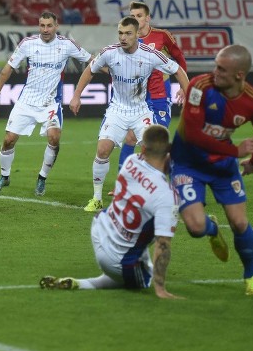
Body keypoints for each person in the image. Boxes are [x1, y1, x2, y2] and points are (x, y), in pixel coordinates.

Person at [170, 44, 253, 296]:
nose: (214, 72)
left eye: (222, 69)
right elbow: (192, 134)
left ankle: (251, 275)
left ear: (239, 75)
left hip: (221, 167)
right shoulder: (200, 87)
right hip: (187, 162)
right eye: (215, 65)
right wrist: (236, 152)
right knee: (195, 228)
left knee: (239, 222)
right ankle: (212, 229)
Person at [40, 124, 182, 298]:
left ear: (143, 148)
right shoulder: (168, 195)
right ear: (169, 150)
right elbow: (163, 244)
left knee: (141, 247)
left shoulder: (131, 162)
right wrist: (161, 290)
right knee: (145, 279)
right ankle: (117, 274)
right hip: (118, 256)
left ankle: (83, 283)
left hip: (100, 229)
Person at [69, 16, 189, 212]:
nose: (123, 37)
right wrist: (76, 96)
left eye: (128, 34)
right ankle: (97, 198)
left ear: (136, 35)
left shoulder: (150, 54)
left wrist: (189, 97)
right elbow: (90, 70)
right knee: (102, 150)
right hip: (117, 110)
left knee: (155, 152)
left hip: (141, 111)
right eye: (120, 33)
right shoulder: (109, 53)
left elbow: (178, 70)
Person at [0, 11, 92, 196]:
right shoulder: (28, 44)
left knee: (54, 138)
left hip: (50, 103)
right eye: (42, 25)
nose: (45, 29)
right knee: (8, 140)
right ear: (38, 26)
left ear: (56, 26)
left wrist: (115, 69)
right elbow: (8, 68)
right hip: (26, 101)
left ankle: (42, 178)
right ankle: (4, 176)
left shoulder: (66, 45)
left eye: (49, 25)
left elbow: (92, 61)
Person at [116, 1, 188, 168]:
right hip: (138, 98)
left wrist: (186, 89)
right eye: (132, 16)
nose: (135, 19)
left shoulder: (162, 36)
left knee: (156, 140)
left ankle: (164, 177)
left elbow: (179, 59)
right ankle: (122, 182)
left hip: (159, 94)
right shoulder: (127, 38)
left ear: (147, 18)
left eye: (139, 16)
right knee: (130, 138)